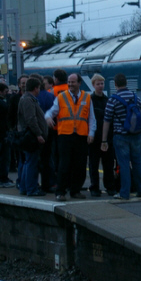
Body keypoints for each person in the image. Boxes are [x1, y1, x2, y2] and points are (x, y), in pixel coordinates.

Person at [45, 72, 95, 201]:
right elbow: (51, 112)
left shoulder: (87, 98)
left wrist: (91, 133)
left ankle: (75, 190)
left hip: (81, 136)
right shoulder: (61, 97)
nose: (70, 84)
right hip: (65, 136)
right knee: (64, 165)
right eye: (69, 82)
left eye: (73, 82)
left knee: (80, 165)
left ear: (79, 83)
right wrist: (48, 118)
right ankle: (60, 192)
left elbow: (91, 118)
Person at [101, 73, 141, 200]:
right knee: (137, 163)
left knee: (124, 164)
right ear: (126, 83)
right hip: (136, 136)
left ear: (115, 84)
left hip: (120, 136)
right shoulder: (135, 97)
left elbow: (107, 120)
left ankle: (124, 192)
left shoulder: (113, 99)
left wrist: (104, 140)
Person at [17, 78, 48, 196]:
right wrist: (39, 134)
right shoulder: (28, 100)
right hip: (31, 137)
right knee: (31, 162)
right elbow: (31, 119)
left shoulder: (27, 99)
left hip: (29, 135)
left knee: (28, 161)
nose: (39, 90)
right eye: (39, 87)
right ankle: (31, 188)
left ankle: (25, 188)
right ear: (35, 88)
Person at [88, 73, 116, 197]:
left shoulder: (107, 100)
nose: (100, 86)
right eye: (98, 84)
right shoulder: (90, 100)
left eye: (102, 84)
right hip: (94, 137)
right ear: (93, 85)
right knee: (93, 164)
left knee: (108, 164)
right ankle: (94, 187)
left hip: (107, 138)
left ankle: (109, 186)